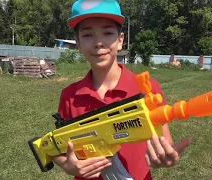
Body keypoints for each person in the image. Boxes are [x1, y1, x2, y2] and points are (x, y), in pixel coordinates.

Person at [53, 0, 192, 179]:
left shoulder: (147, 88)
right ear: (78, 43)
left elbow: (166, 143)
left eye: (108, 33)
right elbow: (57, 146)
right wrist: (67, 165)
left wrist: (167, 156)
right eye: (88, 35)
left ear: (120, 40)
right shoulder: (70, 96)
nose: (98, 43)